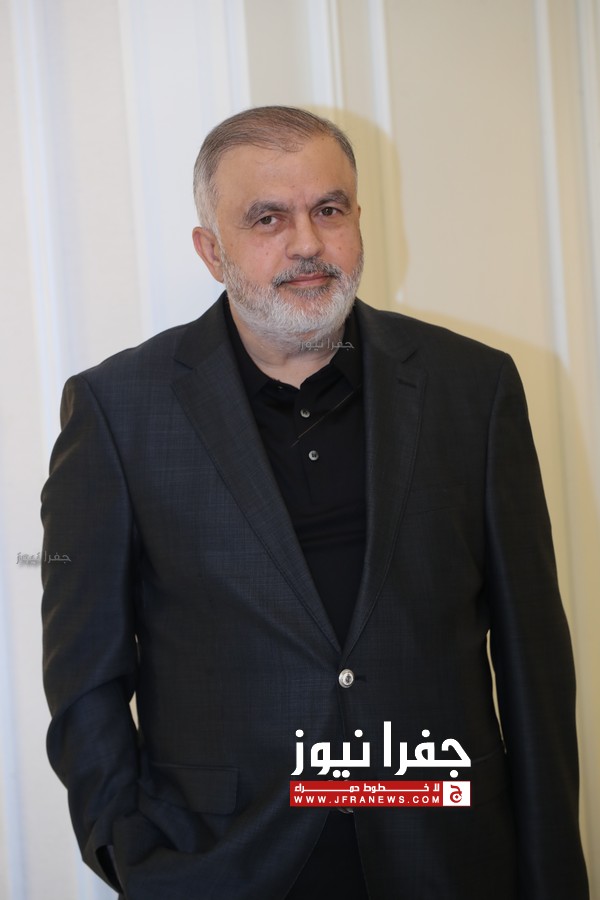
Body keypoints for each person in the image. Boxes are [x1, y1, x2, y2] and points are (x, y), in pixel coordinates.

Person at [41, 106, 588, 899]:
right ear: (211, 250)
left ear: (358, 220)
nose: (306, 243)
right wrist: (130, 854)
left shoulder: (474, 388)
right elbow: (83, 674)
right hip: (223, 863)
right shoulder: (118, 412)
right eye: (267, 218)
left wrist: (552, 873)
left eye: (328, 210)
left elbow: (534, 661)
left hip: (446, 852)